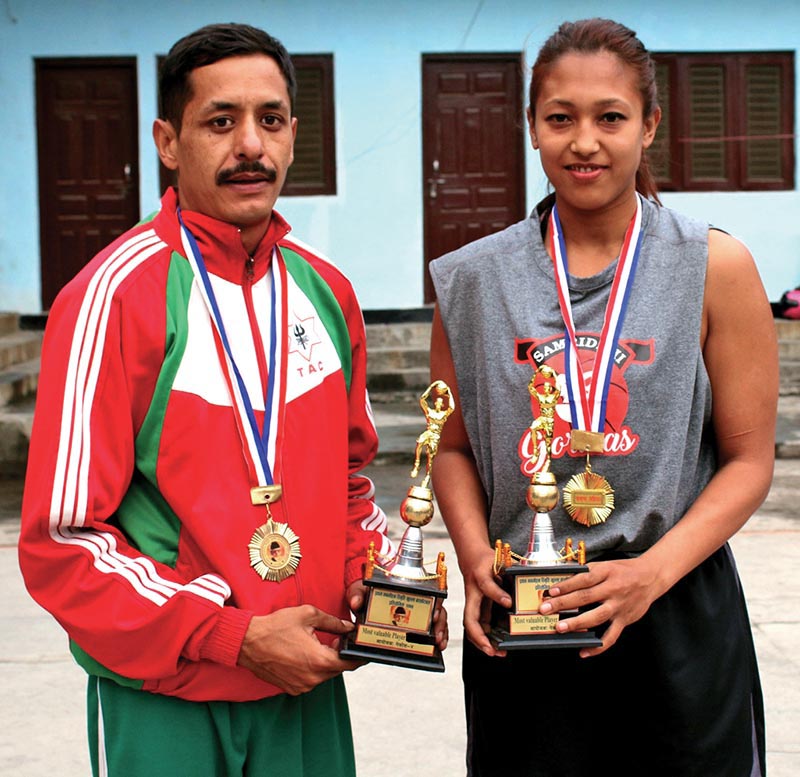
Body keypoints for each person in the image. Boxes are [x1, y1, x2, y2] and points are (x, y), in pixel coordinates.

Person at [18, 23, 446, 777]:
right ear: (168, 142)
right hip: (169, 691)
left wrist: (381, 586)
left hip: (305, 686)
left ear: (292, 136)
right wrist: (230, 636)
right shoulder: (112, 298)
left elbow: (349, 485)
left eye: (270, 120)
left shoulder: (326, 292)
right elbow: (63, 541)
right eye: (221, 122)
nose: (251, 145)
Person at [429, 18, 775, 777]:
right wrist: (475, 552)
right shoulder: (472, 279)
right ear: (532, 127)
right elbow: (449, 446)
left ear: (648, 126)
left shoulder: (714, 266)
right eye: (561, 118)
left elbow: (750, 461)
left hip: (674, 606)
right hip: (524, 614)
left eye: (610, 117)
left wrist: (652, 572)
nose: (584, 141)